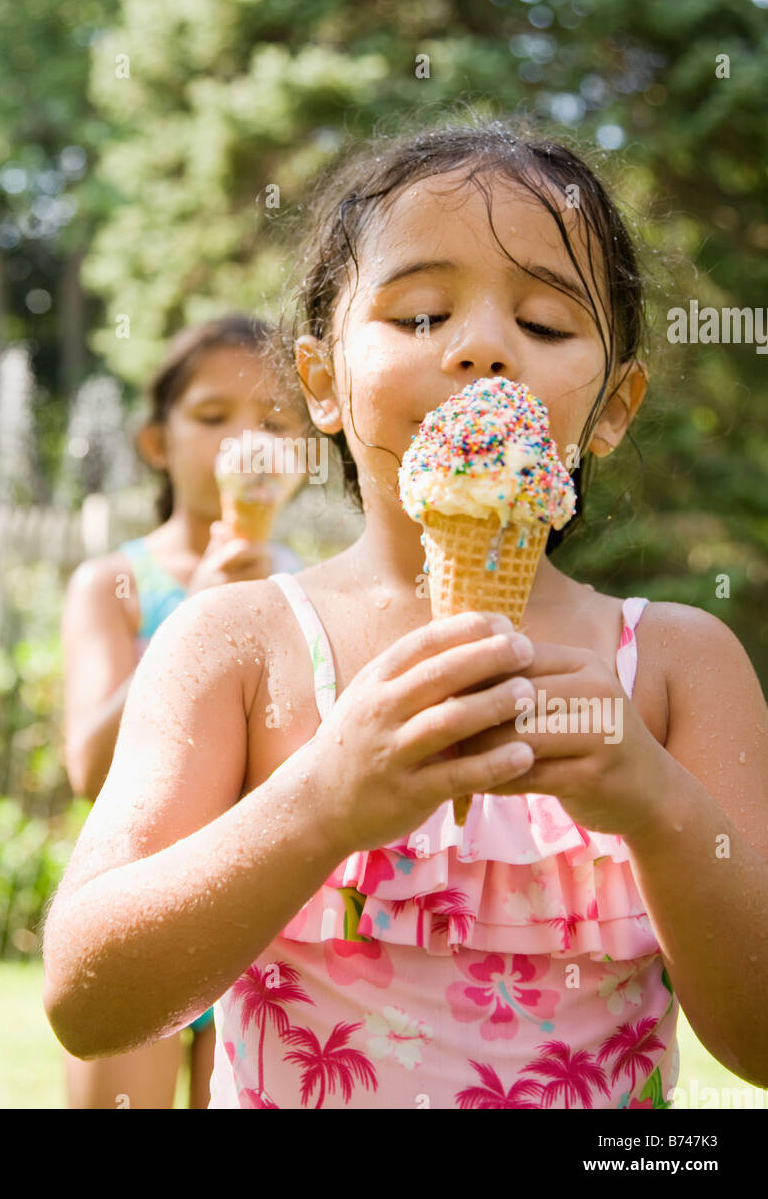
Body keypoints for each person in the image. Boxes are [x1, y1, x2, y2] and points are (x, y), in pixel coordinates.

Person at [43, 116, 768, 1108]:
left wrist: (655, 802)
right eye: (421, 314)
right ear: (319, 381)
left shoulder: (679, 667)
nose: (479, 348)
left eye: (546, 325)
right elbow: (87, 999)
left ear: (612, 406)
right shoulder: (237, 643)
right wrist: (323, 798)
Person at [59, 314, 311, 1109]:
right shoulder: (114, 585)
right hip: (139, 908)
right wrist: (198, 611)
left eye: (273, 422)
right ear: (156, 443)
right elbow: (87, 768)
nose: (245, 442)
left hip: (265, 921)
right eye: (211, 418)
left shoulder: (312, 593)